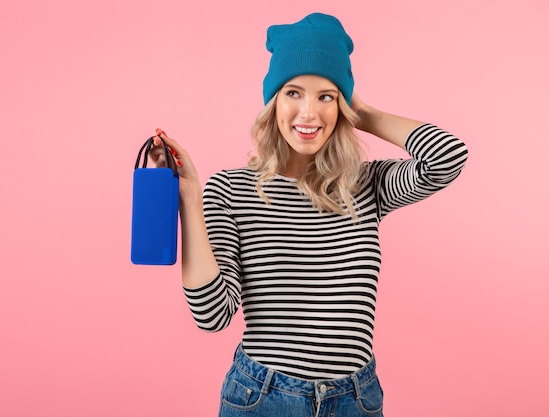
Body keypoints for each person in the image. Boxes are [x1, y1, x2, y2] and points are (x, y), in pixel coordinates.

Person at [149, 12, 468, 417]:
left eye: (325, 97)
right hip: (263, 398)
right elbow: (212, 314)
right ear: (273, 101)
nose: (309, 113)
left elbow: (448, 156)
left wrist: (360, 109)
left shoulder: (364, 185)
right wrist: (191, 198)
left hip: (356, 399)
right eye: (294, 93)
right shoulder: (231, 189)